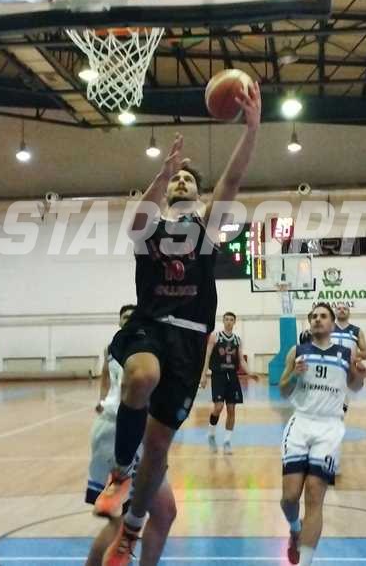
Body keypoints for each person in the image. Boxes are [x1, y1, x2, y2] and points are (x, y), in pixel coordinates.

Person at [95, 82, 261, 566]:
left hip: (188, 342)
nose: (182, 183)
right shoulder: (151, 229)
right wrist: (163, 172)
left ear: (199, 194)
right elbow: (135, 223)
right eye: (177, 181)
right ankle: (120, 471)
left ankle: (131, 530)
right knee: (141, 375)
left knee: (159, 449)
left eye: (189, 179)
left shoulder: (206, 230)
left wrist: (251, 129)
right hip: (150, 326)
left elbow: (233, 180)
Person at [85, 305, 176, 566]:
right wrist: (104, 400)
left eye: (132, 317)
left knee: (164, 512)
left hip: (139, 430)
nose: (128, 321)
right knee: (121, 521)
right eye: (124, 318)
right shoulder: (121, 348)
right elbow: (123, 382)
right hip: (118, 429)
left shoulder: (142, 347)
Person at [277, 302, 366, 565]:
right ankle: (295, 528)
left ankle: (306, 562)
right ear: (310, 322)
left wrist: (360, 375)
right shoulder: (297, 352)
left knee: (315, 494)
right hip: (301, 424)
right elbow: (283, 390)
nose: (318, 319)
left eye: (323, 316)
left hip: (329, 427)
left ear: (331, 323)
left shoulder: (345, 354)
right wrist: (294, 376)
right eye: (314, 316)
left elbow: (355, 386)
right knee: (289, 497)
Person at [200, 311, 252, 455]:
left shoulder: (237, 340)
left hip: (232, 376)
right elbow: (207, 356)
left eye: (231, 320)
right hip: (218, 375)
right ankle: (211, 434)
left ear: (234, 322)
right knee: (218, 407)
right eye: (226, 319)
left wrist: (250, 373)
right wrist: (203, 376)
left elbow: (241, 360)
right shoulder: (215, 336)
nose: (229, 322)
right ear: (223, 321)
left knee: (231, 409)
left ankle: (227, 442)